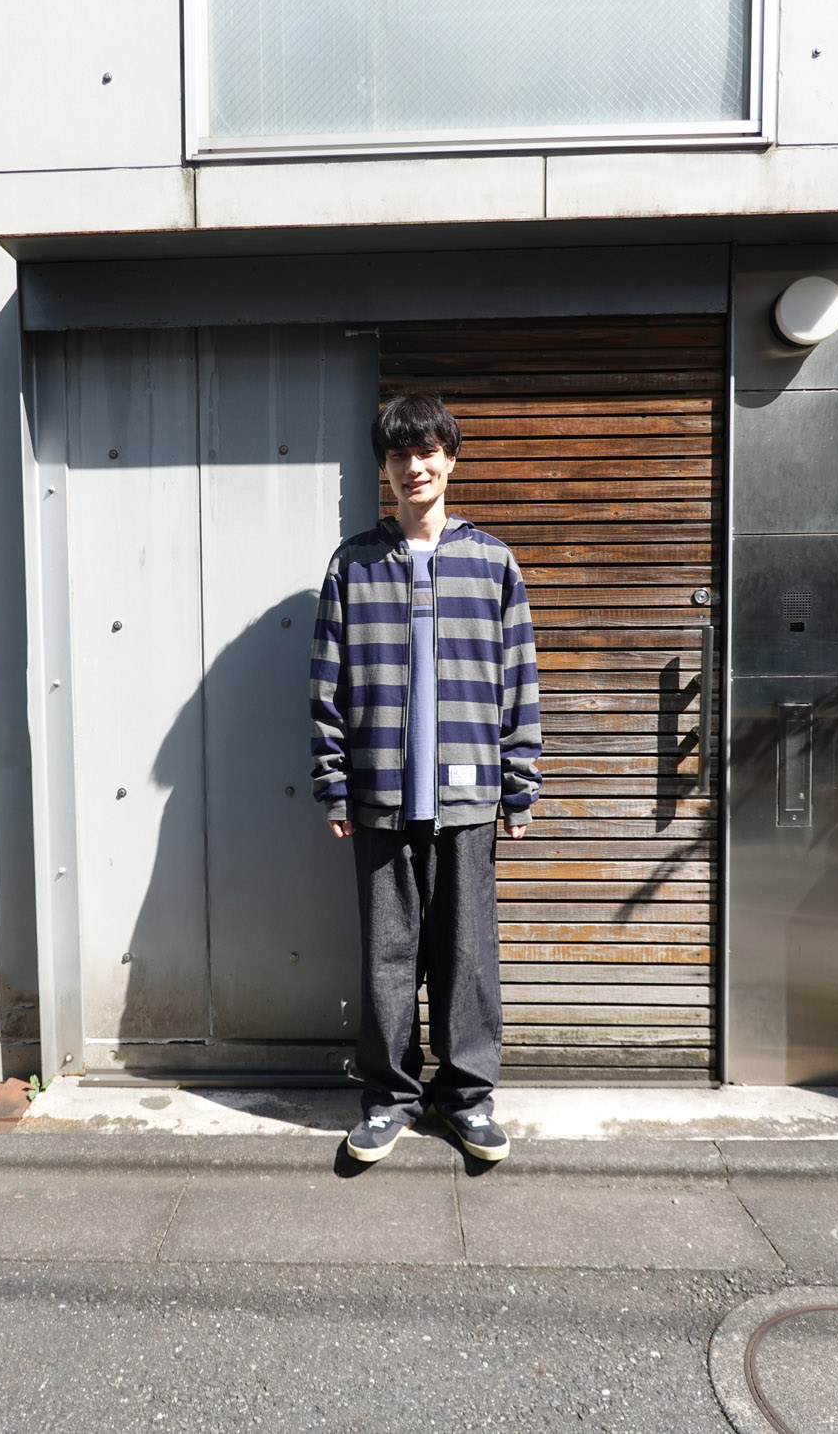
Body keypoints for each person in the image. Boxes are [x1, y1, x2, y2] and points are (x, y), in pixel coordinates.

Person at [310, 392, 542, 1164]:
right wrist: (334, 782)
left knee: (466, 955)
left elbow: (519, 680)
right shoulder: (353, 564)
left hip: (469, 797)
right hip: (378, 794)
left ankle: (466, 1097)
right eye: (399, 454)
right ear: (384, 467)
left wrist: (520, 783)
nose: (415, 466)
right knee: (387, 955)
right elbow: (327, 685)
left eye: (428, 452)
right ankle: (389, 1097)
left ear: (450, 459)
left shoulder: (492, 563)